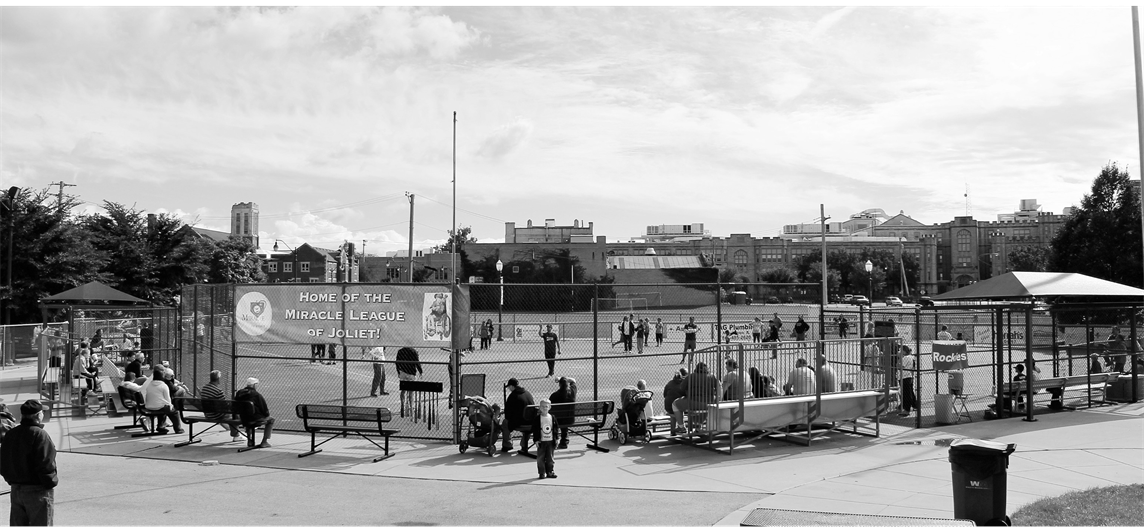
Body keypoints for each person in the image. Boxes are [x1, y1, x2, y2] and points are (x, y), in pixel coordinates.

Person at [0, 400, 58, 527]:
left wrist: (11, 480)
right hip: (37, 491)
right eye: (42, 412)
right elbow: (46, 463)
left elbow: (3, 460)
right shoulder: (40, 435)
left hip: (16, 490)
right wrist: (49, 483)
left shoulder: (11, 433)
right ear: (38, 416)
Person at [671, 361, 720, 435]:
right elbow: (719, 387)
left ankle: (681, 427)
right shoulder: (712, 376)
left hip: (694, 401)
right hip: (710, 402)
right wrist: (717, 399)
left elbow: (682, 388)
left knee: (675, 403)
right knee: (703, 409)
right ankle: (698, 427)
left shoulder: (690, 376)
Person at [199, 370, 246, 442]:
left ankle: (238, 432)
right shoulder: (218, 391)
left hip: (208, 414)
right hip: (216, 415)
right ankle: (236, 435)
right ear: (218, 379)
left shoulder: (204, 388)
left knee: (233, 413)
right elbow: (225, 406)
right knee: (235, 414)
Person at [234, 377, 275, 448]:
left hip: (243, 418)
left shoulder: (239, 393)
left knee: (247, 415)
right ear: (254, 385)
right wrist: (266, 415)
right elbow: (264, 409)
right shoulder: (256, 395)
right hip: (254, 419)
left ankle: (250, 439)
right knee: (271, 420)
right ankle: (264, 442)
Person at [143, 368, 183, 434]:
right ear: (162, 377)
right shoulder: (163, 385)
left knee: (163, 409)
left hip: (148, 406)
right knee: (174, 412)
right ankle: (178, 429)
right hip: (160, 406)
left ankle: (161, 427)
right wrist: (172, 406)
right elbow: (168, 400)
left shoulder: (148, 384)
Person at [501, 378, 535, 454]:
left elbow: (508, 413)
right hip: (530, 421)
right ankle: (524, 444)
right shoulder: (528, 393)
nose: (509, 389)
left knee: (505, 422)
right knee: (526, 423)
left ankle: (507, 444)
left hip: (519, 422)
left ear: (512, 386)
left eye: (509, 387)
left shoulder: (513, 396)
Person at [532, 399, 559, 479]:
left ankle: (550, 471)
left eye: (546, 406)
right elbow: (535, 430)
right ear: (539, 408)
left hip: (550, 441)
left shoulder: (552, 418)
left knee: (550, 457)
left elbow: (556, 429)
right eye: (542, 407)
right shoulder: (537, 419)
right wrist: (536, 440)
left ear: (549, 407)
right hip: (541, 441)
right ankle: (541, 472)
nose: (544, 408)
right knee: (540, 458)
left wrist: (556, 438)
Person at [549, 377, 576, 449]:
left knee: (555, 418)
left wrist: (559, 379)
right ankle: (564, 441)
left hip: (557, 420)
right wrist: (565, 379)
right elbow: (573, 381)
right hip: (570, 419)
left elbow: (549, 408)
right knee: (564, 416)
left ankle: (555, 440)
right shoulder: (572, 392)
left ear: (559, 384)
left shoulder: (554, 395)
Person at [395, 347, 423, 415]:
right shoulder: (414, 351)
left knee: (403, 390)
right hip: (411, 373)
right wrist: (420, 371)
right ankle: (411, 406)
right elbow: (417, 362)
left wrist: (398, 371)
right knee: (411, 391)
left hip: (403, 372)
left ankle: (402, 405)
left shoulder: (400, 351)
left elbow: (397, 362)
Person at [662, 368, 687, 432]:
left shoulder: (669, 383)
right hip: (676, 407)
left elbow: (664, 395)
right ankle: (681, 427)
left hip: (668, 407)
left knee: (674, 408)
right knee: (678, 408)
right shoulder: (684, 384)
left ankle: (673, 429)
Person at [899, 346, 917, 417]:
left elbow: (901, 366)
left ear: (904, 351)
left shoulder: (905, 358)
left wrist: (899, 359)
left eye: (901, 350)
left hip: (905, 377)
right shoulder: (910, 357)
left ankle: (907, 409)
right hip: (908, 376)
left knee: (906, 394)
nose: (900, 352)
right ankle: (914, 405)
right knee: (910, 392)